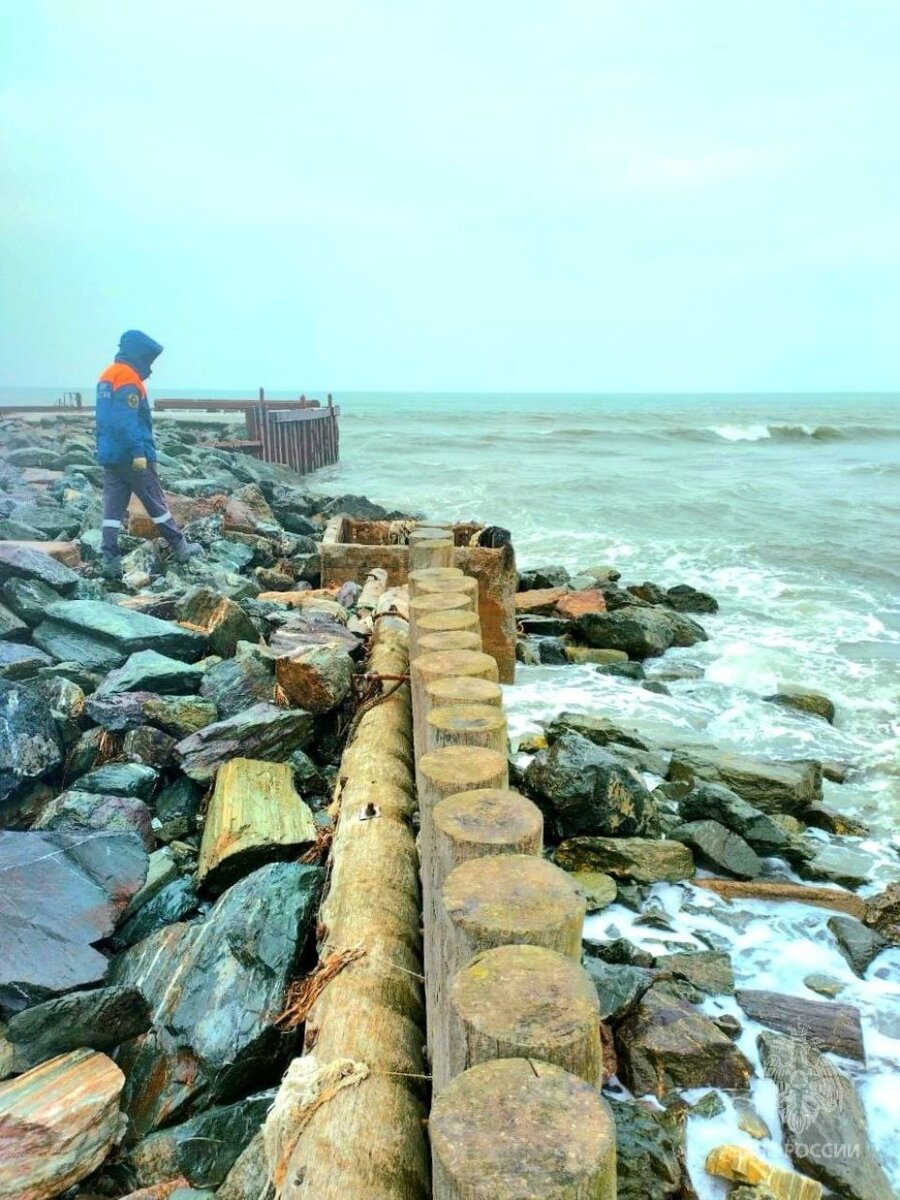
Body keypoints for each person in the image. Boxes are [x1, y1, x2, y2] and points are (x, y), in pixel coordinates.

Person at [96, 330, 201, 579]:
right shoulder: (129, 379)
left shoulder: (106, 376)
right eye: (149, 361)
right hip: (134, 458)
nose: (150, 369)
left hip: (110, 456)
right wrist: (138, 452)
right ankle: (180, 546)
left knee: (112, 508)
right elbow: (126, 420)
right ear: (140, 356)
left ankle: (109, 558)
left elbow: (105, 419)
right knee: (155, 501)